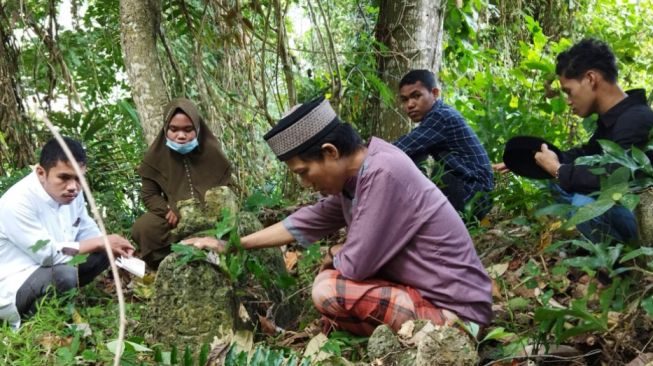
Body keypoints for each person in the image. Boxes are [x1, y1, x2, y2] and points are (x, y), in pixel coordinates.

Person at [183, 96, 493, 336]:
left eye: (304, 172)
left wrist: (334, 252)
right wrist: (236, 244)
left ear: (330, 152)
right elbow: (307, 221)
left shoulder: (383, 173)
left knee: (327, 289)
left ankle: (440, 332)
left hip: (460, 314)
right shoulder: (357, 178)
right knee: (330, 291)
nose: (306, 183)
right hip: (435, 299)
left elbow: (356, 265)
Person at [493, 38, 653, 243]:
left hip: (642, 219)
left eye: (569, 91)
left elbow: (614, 178)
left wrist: (558, 170)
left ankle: (624, 259)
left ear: (590, 79)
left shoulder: (636, 119)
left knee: (581, 204)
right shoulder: (617, 117)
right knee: (556, 183)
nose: (568, 101)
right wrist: (534, 159)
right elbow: (587, 155)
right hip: (620, 205)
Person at [0, 137, 134, 329]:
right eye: (64, 177)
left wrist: (113, 247)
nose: (73, 186)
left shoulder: (73, 194)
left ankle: (61, 301)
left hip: (50, 268)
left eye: (79, 178)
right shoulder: (17, 202)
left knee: (105, 251)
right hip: (12, 284)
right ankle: (34, 320)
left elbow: (87, 228)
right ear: (41, 173)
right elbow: (48, 254)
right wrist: (100, 242)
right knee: (64, 275)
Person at [131, 98, 232, 269]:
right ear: (165, 130)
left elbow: (227, 189)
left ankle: (215, 254)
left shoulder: (213, 153)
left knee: (236, 225)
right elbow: (149, 194)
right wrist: (167, 211)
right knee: (144, 226)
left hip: (212, 218)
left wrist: (214, 211)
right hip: (176, 220)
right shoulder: (154, 157)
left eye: (188, 129)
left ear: (198, 129)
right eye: (174, 129)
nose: (181, 136)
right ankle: (166, 264)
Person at [394, 69, 494, 221]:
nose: (410, 105)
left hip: (474, 196)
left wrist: (361, 154)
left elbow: (398, 148)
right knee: (414, 157)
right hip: (475, 194)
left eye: (416, 96)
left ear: (434, 93)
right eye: (405, 99)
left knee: (432, 174)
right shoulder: (436, 116)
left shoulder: (440, 116)